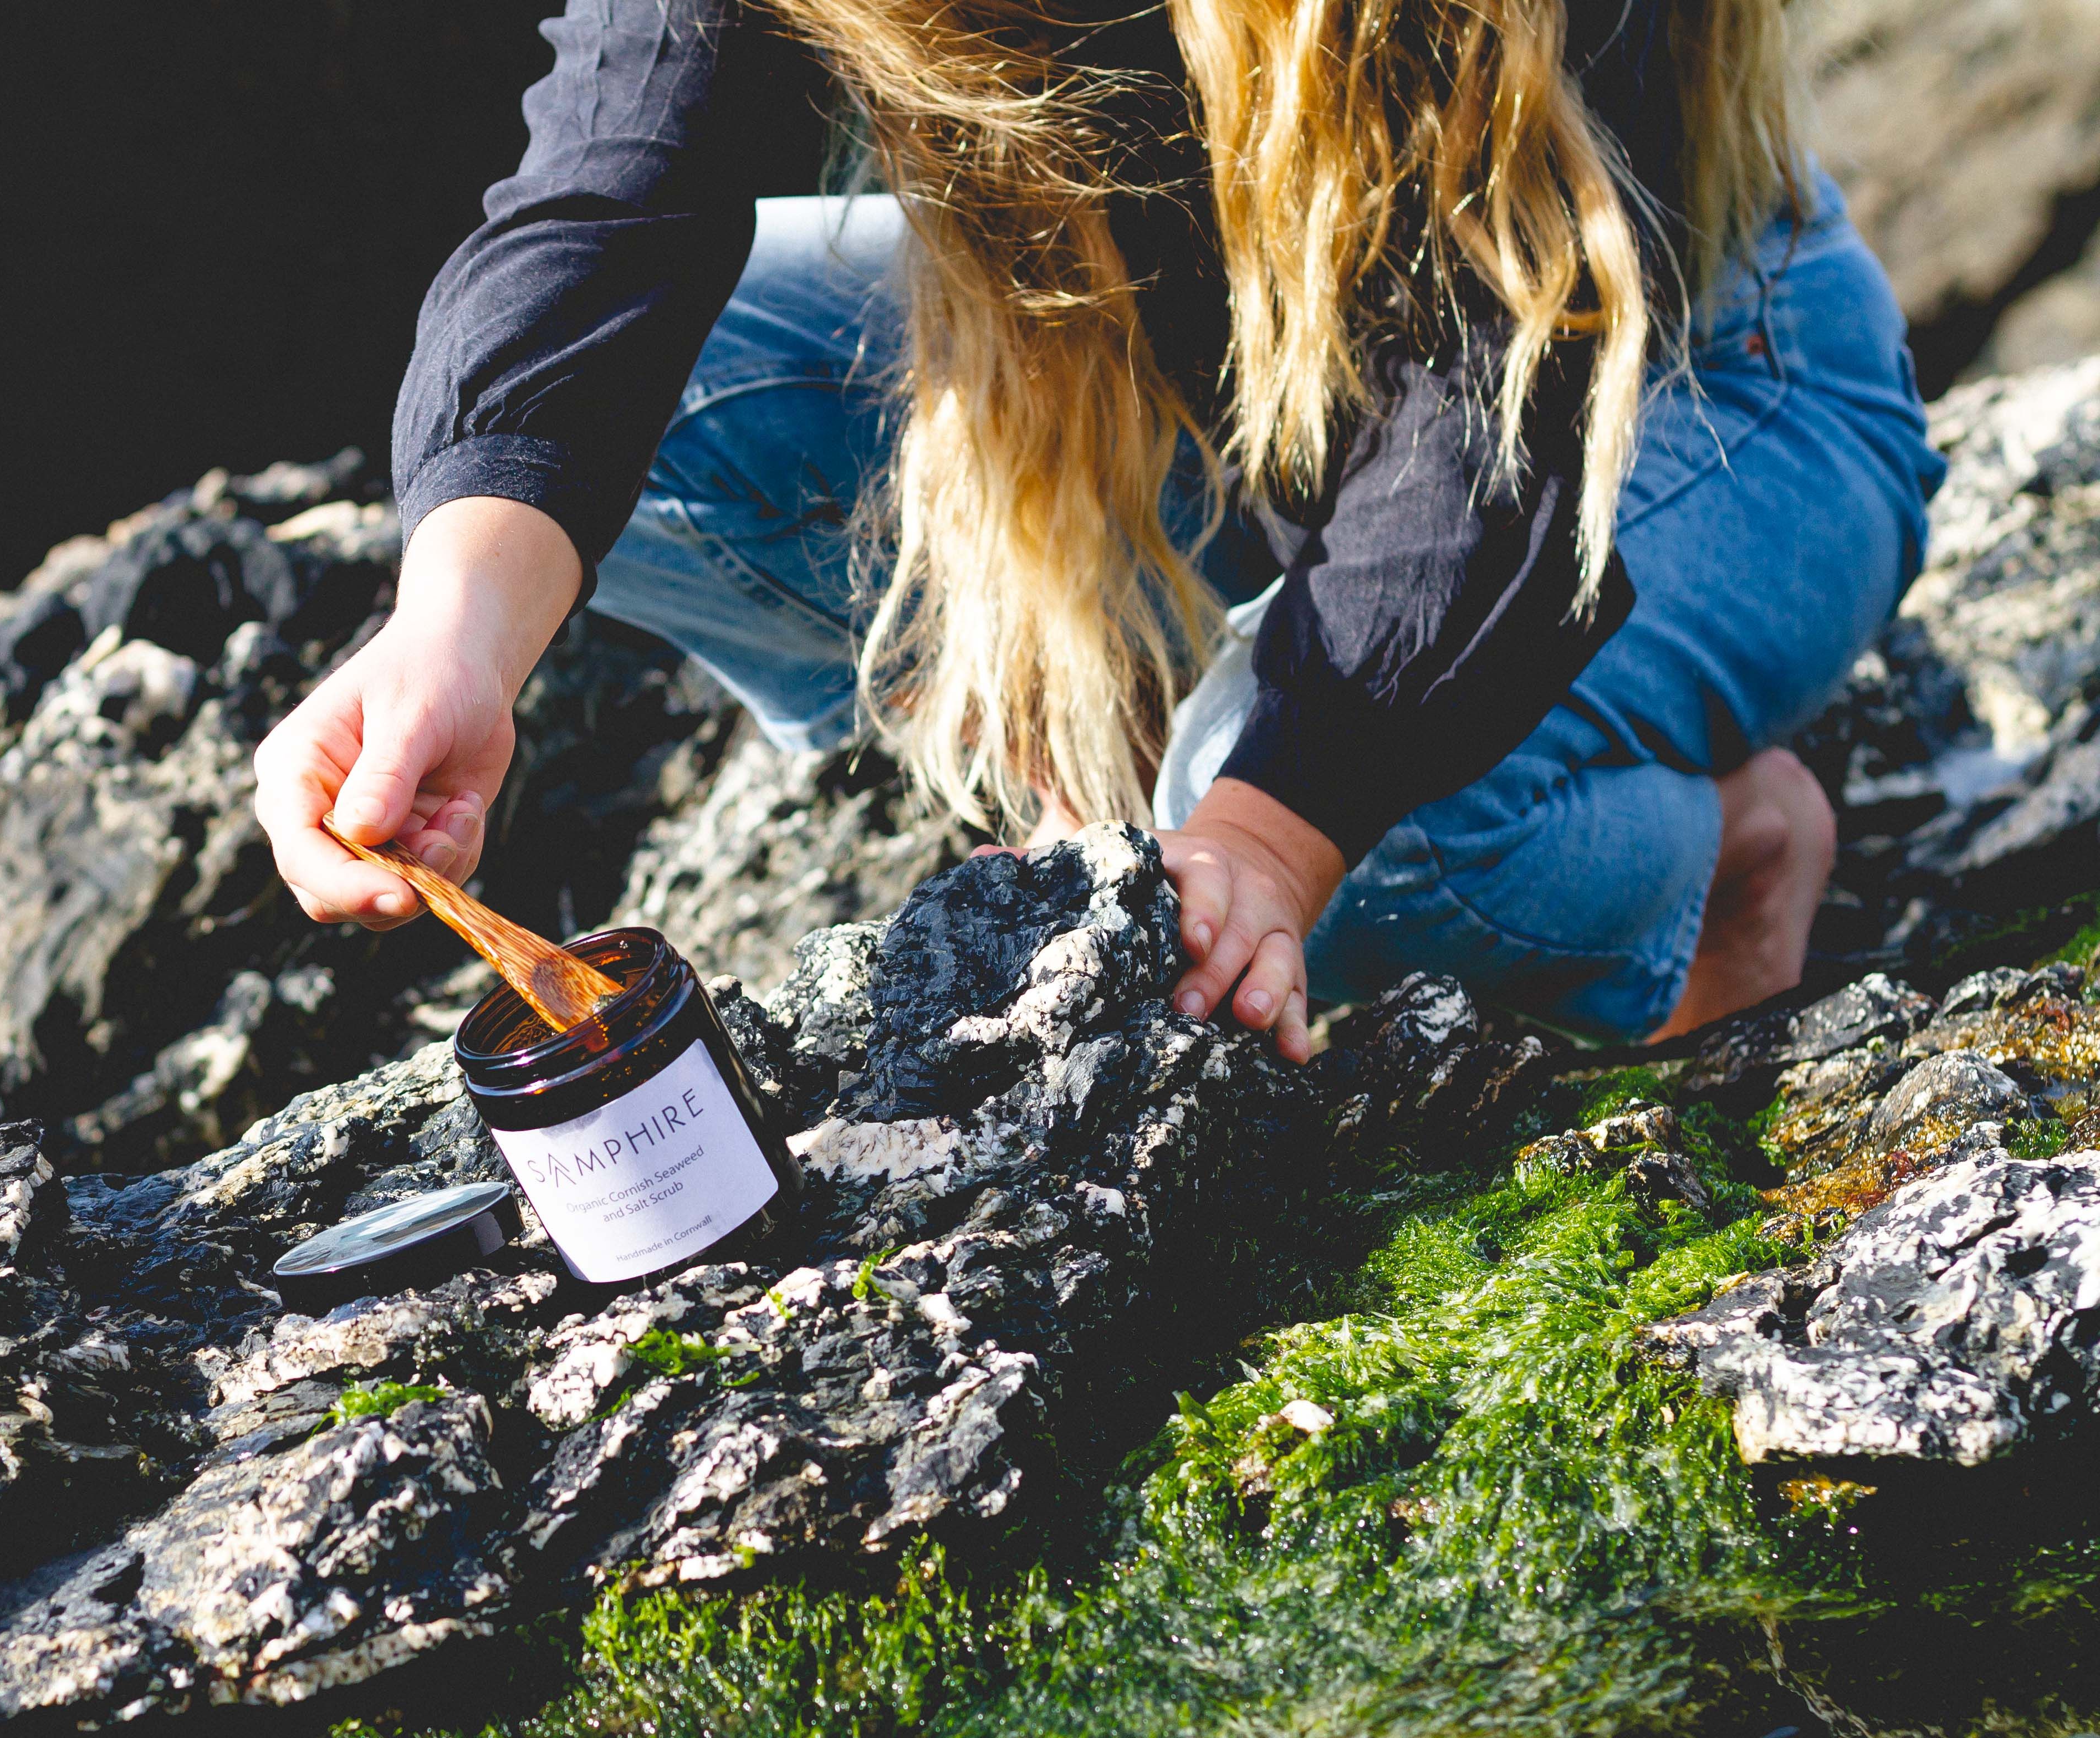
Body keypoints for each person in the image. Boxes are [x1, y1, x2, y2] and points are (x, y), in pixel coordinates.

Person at [254, 0, 1945, 1061]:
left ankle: (1723, 844)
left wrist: (1269, 843)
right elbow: (609, 200)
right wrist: (449, 632)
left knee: (1334, 844)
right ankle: (1156, 746)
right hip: (1231, 404)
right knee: (635, 440)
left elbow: (1496, 398)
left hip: (1688, 387)